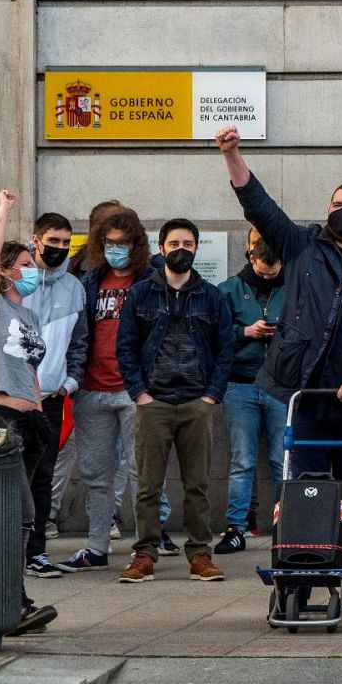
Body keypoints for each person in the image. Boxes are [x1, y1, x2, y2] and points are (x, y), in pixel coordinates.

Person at [214, 125, 342, 500]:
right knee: (308, 490)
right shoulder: (301, 245)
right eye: (337, 205)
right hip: (305, 393)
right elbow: (259, 205)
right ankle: (308, 558)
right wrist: (231, 154)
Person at [114, 219, 232, 583]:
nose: (182, 249)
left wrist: (212, 395)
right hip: (155, 403)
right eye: (174, 243)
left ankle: (200, 553)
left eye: (188, 243)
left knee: (197, 484)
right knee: (149, 484)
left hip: (197, 402)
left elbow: (225, 348)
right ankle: (144, 554)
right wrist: (140, 394)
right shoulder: (140, 294)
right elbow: (125, 347)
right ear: (161, 247)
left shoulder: (212, 296)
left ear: (197, 248)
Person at [61, 207, 171, 572]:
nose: (115, 250)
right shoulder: (91, 280)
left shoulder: (152, 280)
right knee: (96, 474)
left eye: (122, 244)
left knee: (143, 471)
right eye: (108, 243)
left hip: (135, 389)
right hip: (92, 389)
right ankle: (96, 546)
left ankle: (145, 547)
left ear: (136, 244)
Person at [0, 192, 57, 634]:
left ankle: (9, 598)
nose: (32, 271)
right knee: (10, 511)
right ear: (9, 270)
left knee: (22, 514)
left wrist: (41, 418)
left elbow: (29, 370)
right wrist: (5, 209)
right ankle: (8, 600)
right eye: (25, 263)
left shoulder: (27, 317)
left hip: (29, 423)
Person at [21, 212, 85, 578]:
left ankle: (37, 552)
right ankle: (5, 549)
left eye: (65, 242)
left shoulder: (75, 287)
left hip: (52, 397)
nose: (59, 248)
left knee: (43, 477)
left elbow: (80, 341)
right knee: (13, 476)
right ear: (36, 239)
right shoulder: (19, 280)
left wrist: (71, 381)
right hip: (12, 398)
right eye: (53, 241)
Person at [214, 239, 287, 554]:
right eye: (263, 269)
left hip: (282, 384)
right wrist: (245, 332)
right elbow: (213, 334)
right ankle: (236, 527)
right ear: (250, 258)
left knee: (281, 460)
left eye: (275, 270)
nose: (269, 275)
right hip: (240, 383)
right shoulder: (229, 289)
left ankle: (286, 525)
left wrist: (282, 333)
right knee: (242, 460)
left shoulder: (294, 288)